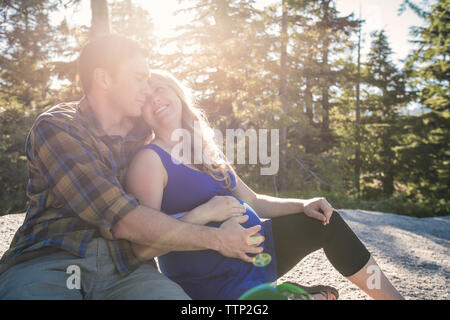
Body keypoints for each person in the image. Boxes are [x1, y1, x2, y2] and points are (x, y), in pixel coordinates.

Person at [0, 35, 265, 299]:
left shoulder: (143, 131)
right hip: (51, 259)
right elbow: (123, 220)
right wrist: (218, 238)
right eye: (139, 79)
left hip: (126, 267)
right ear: (104, 79)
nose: (147, 90)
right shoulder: (58, 127)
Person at [125, 69, 405, 300]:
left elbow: (254, 200)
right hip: (209, 279)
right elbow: (146, 244)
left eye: (159, 88)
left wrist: (303, 204)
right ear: (141, 114)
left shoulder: (205, 150)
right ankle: (291, 296)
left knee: (326, 222)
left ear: (177, 93)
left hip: (256, 253)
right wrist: (204, 214)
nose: (154, 99)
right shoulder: (149, 160)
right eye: (145, 97)